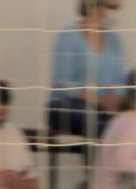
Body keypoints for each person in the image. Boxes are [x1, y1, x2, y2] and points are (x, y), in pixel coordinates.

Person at [49, 0, 130, 141]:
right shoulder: (69, 35)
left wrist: (115, 97)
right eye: (111, 7)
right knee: (103, 126)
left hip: (103, 109)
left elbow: (121, 80)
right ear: (94, 6)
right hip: (70, 106)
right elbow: (62, 84)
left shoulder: (114, 39)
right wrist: (98, 99)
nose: (115, 13)